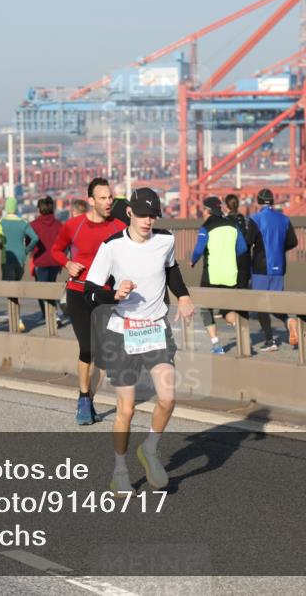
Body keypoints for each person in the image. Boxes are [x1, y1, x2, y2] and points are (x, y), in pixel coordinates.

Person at [83, 187, 195, 494]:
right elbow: (90, 291)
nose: (148, 221)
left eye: (153, 216)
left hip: (155, 328)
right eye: (143, 215)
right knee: (127, 408)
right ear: (129, 212)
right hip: (122, 332)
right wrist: (113, 294)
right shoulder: (112, 247)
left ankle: (150, 448)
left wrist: (183, 297)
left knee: (168, 397)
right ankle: (120, 470)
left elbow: (172, 270)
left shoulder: (166, 240)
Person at [51, 177, 125, 425]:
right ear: (91, 201)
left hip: (105, 294)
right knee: (87, 347)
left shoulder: (118, 227)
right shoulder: (74, 225)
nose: (108, 202)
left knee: (102, 354)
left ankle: (89, 399)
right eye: (103, 198)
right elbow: (56, 250)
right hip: (78, 291)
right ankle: (83, 397)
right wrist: (68, 263)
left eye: (111, 197)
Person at [190, 196, 246, 354]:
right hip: (230, 275)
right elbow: (242, 249)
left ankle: (216, 345)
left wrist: (192, 261)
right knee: (227, 310)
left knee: (205, 309)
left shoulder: (206, 227)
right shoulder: (233, 225)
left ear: (207, 210)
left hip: (212, 275)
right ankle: (242, 331)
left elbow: (199, 250)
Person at [246, 188, 299, 352]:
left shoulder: (255, 219)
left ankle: (270, 340)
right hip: (279, 267)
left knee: (261, 305)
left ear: (258, 202)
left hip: (260, 267)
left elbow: (248, 243)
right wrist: (279, 248)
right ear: (273, 202)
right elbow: (293, 241)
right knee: (275, 302)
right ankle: (288, 321)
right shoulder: (284, 219)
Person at [0, 197, 40, 331]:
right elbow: (35, 238)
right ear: (16, 208)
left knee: (10, 291)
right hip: (21, 259)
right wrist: (26, 250)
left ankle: (16, 319)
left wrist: (2, 245)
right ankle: (16, 318)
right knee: (16, 288)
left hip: (7, 258)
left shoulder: (0, 223)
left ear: (6, 208)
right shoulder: (23, 223)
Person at [30, 195, 64, 326]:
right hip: (55, 261)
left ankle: (51, 316)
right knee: (51, 286)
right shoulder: (59, 225)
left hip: (40, 261)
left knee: (42, 289)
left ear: (39, 209)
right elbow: (64, 242)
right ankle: (51, 314)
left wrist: (31, 252)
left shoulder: (34, 225)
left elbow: (29, 242)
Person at [224, 194, 253, 291]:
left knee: (229, 290)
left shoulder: (224, 221)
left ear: (226, 206)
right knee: (243, 290)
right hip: (245, 258)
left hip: (229, 259)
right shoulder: (246, 220)